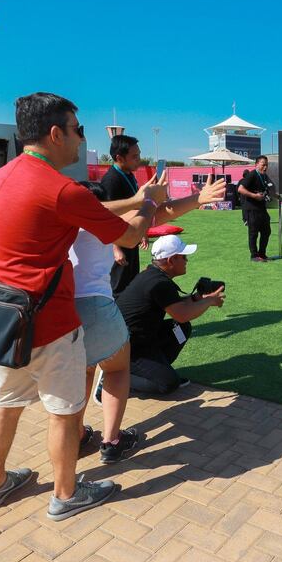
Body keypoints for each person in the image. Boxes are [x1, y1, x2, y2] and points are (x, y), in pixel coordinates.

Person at [0, 92, 160, 521]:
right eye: (78, 130)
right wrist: (148, 204)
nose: (81, 139)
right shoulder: (60, 189)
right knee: (64, 412)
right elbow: (129, 239)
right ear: (55, 133)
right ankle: (65, 494)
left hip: (2, 318)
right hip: (50, 321)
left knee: (6, 403)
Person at [70, 176, 227, 463]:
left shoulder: (59, 220)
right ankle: (111, 442)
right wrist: (190, 200)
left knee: (81, 376)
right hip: (97, 310)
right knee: (117, 372)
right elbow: (150, 216)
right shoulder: (95, 217)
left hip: (66, 312)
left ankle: (77, 437)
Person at [117, 235, 225, 395]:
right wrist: (210, 301)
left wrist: (198, 298)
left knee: (181, 329)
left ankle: (159, 370)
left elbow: (176, 306)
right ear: (171, 260)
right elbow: (183, 314)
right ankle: (116, 378)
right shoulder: (159, 282)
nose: (187, 260)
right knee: (168, 384)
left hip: (140, 339)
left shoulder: (153, 274)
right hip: (128, 348)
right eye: (184, 257)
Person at [100, 134, 154, 297]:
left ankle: (128, 321)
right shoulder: (111, 181)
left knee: (131, 283)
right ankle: (118, 320)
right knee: (118, 287)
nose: (139, 159)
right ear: (119, 158)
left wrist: (142, 231)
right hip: (119, 243)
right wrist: (115, 248)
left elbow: (134, 209)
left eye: (139, 154)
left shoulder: (129, 175)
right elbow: (106, 218)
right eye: (134, 156)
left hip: (130, 238)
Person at [237, 155, 274, 262]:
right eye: (263, 165)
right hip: (252, 209)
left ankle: (262, 254)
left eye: (267, 165)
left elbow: (269, 190)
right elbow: (240, 189)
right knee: (253, 233)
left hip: (262, 208)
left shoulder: (264, 176)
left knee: (266, 231)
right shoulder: (252, 175)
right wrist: (255, 196)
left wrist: (278, 197)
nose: (265, 167)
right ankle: (254, 256)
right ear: (257, 164)